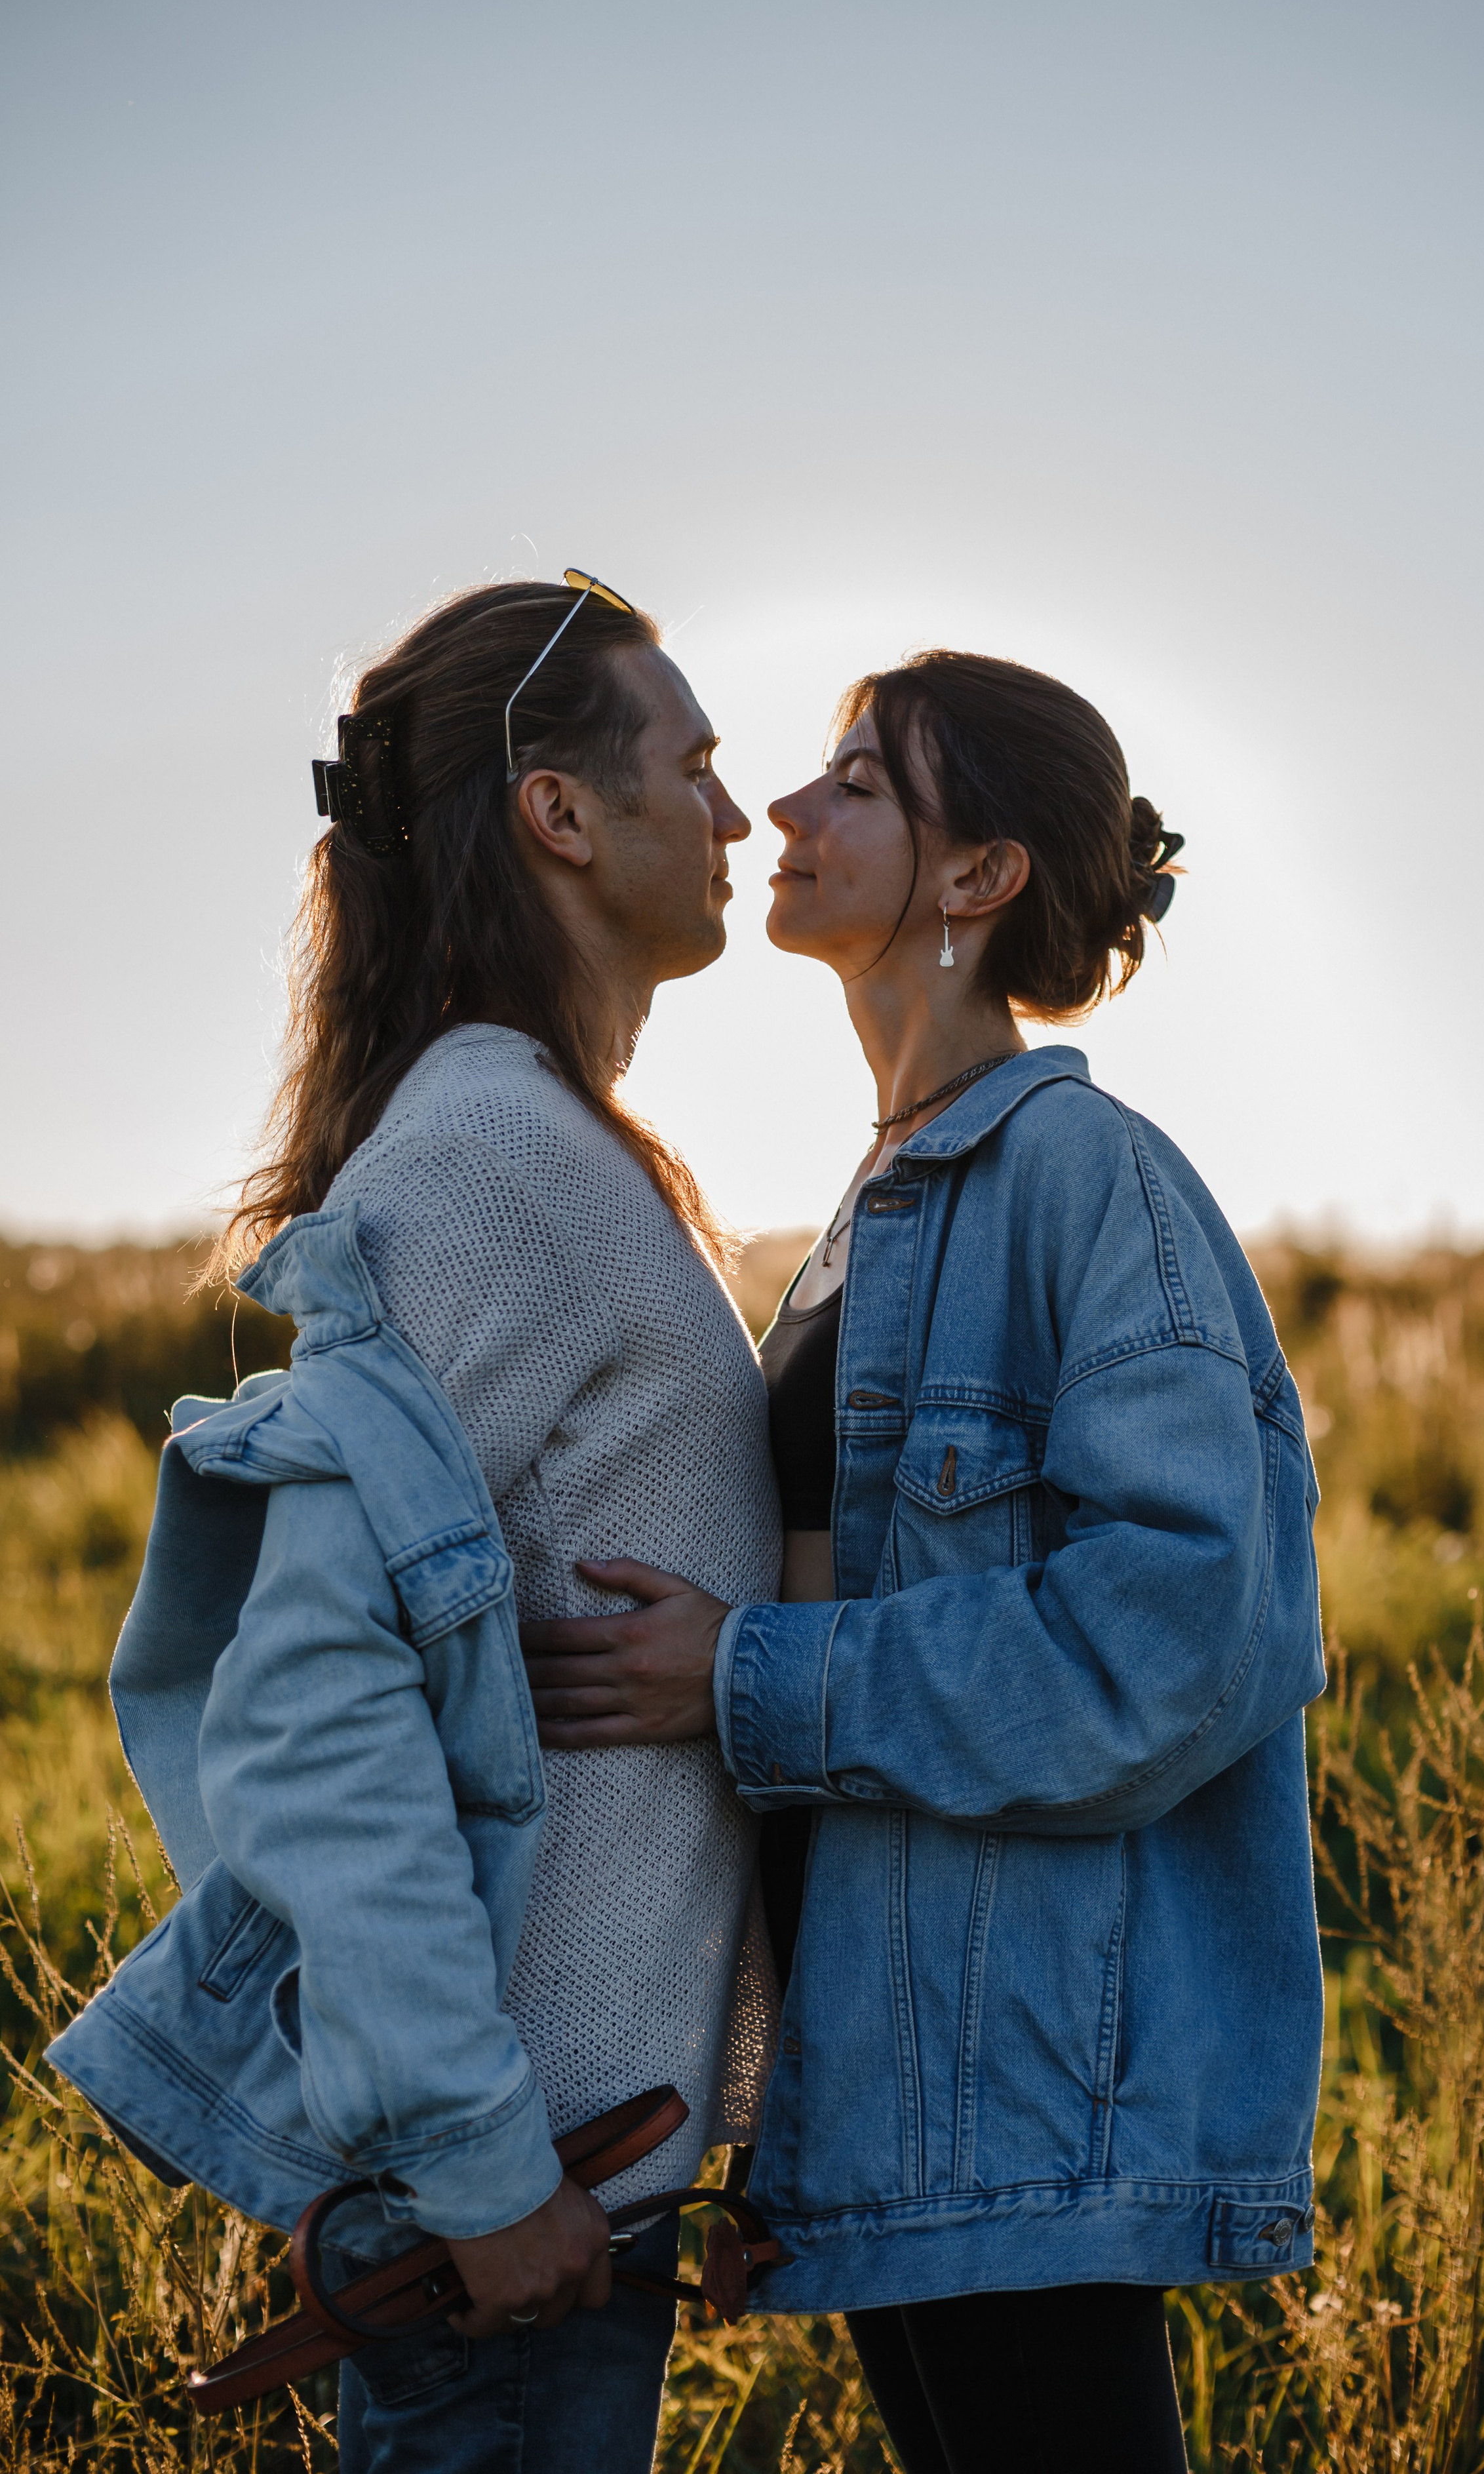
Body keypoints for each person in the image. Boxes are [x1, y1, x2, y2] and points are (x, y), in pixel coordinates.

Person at [522, 650, 1326, 2474]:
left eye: (860, 780)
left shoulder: (1088, 1182)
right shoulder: (863, 1222)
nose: (785, 814)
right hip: (910, 2111)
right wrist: (808, 2124)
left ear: (981, 879)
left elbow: (1182, 1636)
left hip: (1031, 2114)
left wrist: (749, 1677)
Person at [50, 576, 785, 2474]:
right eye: (694, 765)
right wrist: (470, 2163)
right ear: (559, 813)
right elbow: (308, 1699)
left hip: (567, 2193)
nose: (737, 816)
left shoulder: (556, 1143)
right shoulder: (490, 1162)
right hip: (513, 2209)